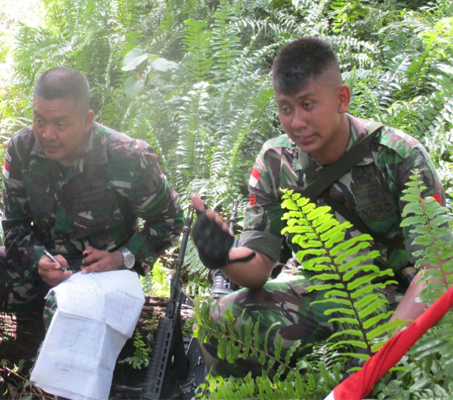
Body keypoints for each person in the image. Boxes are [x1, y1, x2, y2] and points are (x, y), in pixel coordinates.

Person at [191, 37, 447, 377]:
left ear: (342, 98)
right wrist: (222, 256)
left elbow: (437, 267)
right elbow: (259, 267)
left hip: (396, 297)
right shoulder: (275, 162)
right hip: (314, 289)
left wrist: (387, 346)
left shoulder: (400, 157)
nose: (296, 122)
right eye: (285, 108)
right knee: (220, 319)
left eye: (308, 104)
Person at [0, 66, 184, 399]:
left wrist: (122, 257)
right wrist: (38, 260)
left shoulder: (127, 158)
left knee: (63, 308)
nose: (47, 134)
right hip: (43, 270)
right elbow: (16, 226)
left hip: (103, 278)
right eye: (39, 121)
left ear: (87, 119)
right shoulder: (22, 150)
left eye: (60, 124)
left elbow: (169, 220)